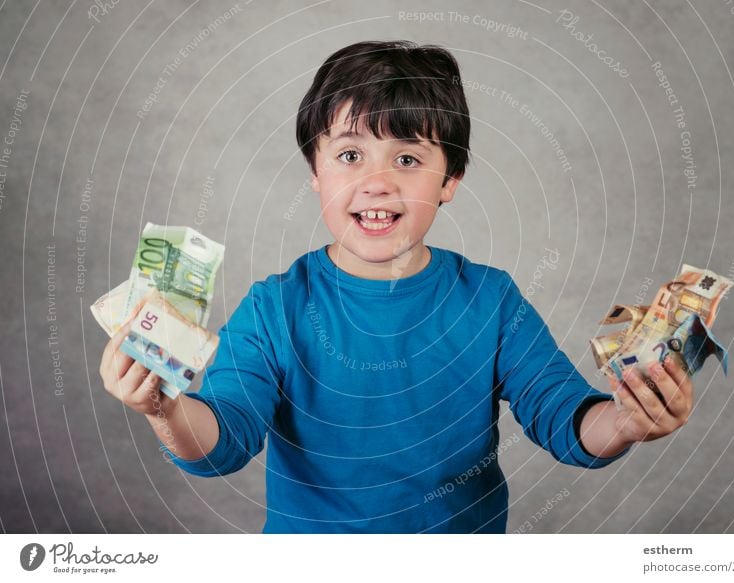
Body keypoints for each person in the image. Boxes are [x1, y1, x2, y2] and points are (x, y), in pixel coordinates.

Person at [99, 40, 694, 533]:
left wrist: (626, 421)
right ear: (315, 172)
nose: (377, 183)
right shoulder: (274, 308)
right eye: (350, 154)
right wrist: (163, 406)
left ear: (451, 179)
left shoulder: (490, 301)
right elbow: (222, 442)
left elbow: (565, 420)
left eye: (407, 160)